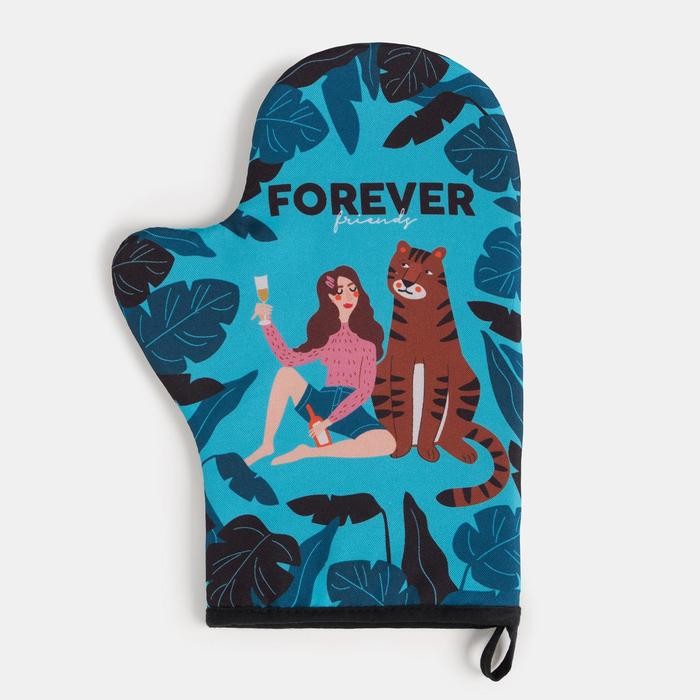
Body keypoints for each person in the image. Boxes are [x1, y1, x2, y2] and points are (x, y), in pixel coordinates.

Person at [246, 265, 396, 466]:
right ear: (331, 298)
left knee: (387, 443)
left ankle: (308, 452)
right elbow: (287, 359)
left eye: (353, 289)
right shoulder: (327, 338)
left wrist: (328, 422)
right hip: (322, 402)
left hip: (350, 408)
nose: (348, 296)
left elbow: (364, 391)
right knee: (285, 374)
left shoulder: (368, 343)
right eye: (340, 291)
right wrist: (266, 322)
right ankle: (267, 444)